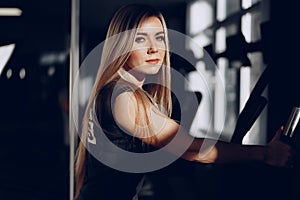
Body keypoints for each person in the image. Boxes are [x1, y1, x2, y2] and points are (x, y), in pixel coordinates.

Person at [74, 4, 293, 200]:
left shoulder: (112, 89)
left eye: (159, 37)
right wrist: (264, 153)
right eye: (140, 38)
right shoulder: (124, 98)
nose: (154, 48)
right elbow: (191, 148)